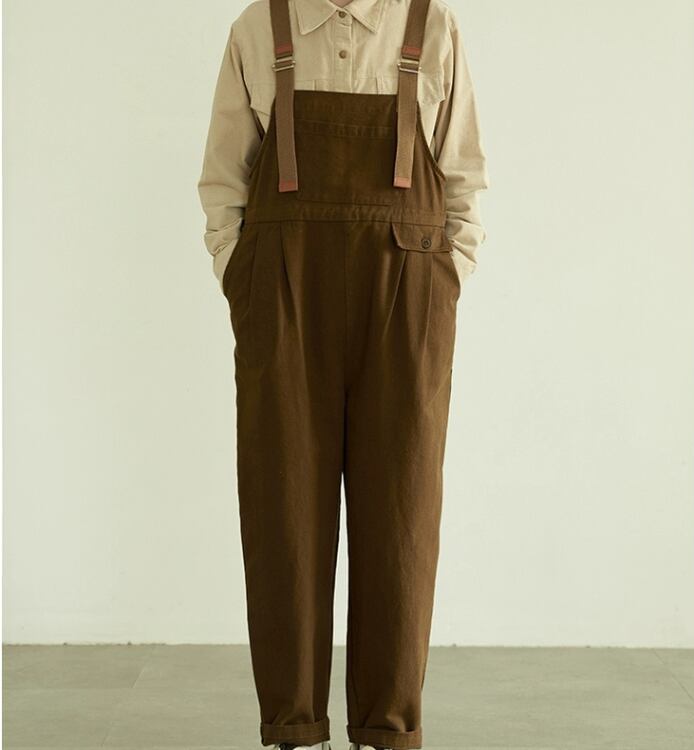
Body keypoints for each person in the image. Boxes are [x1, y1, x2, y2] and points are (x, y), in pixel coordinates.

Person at [197, 0, 488, 748]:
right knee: (283, 503)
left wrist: (445, 280)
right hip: (283, 294)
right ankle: (292, 725)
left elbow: (463, 179)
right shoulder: (258, 29)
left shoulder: (434, 28)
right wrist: (243, 277)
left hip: (408, 291)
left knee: (403, 510)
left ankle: (387, 728)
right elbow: (224, 182)